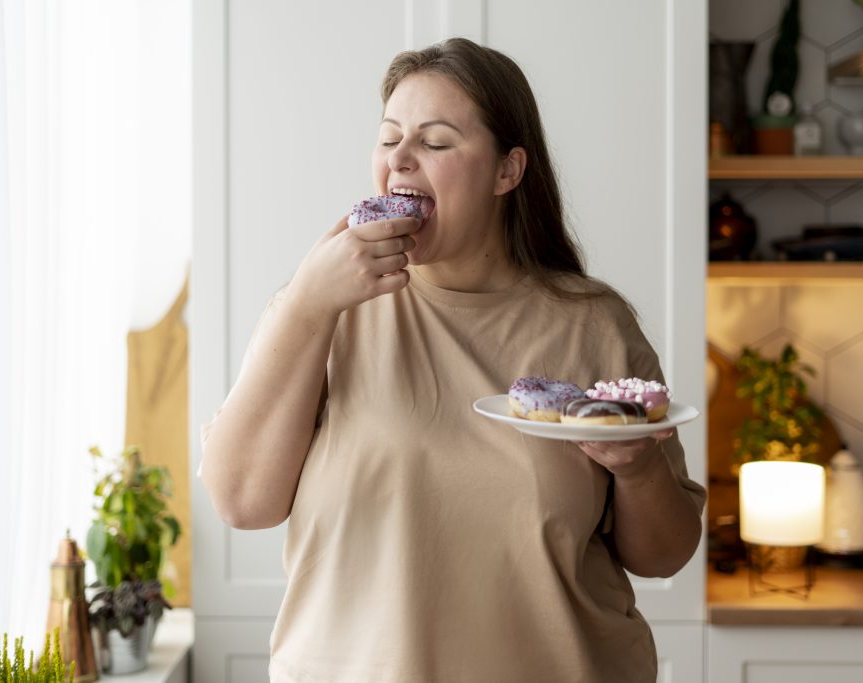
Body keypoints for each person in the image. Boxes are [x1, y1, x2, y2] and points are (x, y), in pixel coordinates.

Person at [200, 37, 704, 683]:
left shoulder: (594, 324)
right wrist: (304, 305)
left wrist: (637, 470)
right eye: (389, 140)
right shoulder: (324, 307)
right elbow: (242, 501)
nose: (401, 160)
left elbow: (664, 554)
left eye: (435, 142)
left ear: (507, 171)